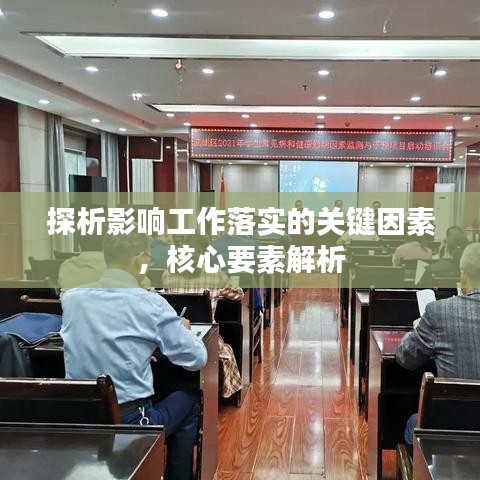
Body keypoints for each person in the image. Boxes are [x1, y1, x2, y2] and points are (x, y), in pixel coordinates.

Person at [61, 233, 207, 480]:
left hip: (80, 415)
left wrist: (140, 351)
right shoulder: (150, 303)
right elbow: (197, 359)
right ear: (140, 259)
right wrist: (181, 329)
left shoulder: (72, 298)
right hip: (130, 421)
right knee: (190, 399)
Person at [396, 242, 480, 449]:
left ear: (463, 276)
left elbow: (405, 358)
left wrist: (418, 329)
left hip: (450, 428)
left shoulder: (438, 312)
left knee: (413, 422)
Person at [162, 235, 244, 398]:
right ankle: (224, 393)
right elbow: (238, 295)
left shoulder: (167, 273)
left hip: (175, 335)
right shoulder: (214, 273)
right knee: (227, 349)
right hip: (207, 339)